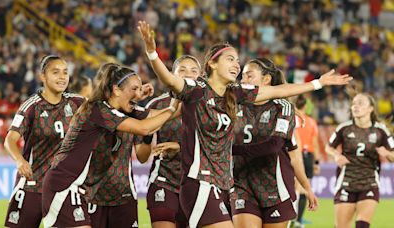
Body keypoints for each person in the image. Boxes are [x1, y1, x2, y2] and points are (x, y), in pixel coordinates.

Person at [138, 20, 351, 228]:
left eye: (237, 60)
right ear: (212, 63)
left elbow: (278, 91)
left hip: (223, 185)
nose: (236, 64)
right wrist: (152, 53)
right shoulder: (197, 90)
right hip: (200, 182)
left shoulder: (235, 93)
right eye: (230, 59)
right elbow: (169, 79)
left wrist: (318, 83)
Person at [41, 63, 179, 228]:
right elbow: (145, 127)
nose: (139, 93)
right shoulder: (97, 109)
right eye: (134, 89)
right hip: (64, 184)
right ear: (116, 90)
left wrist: (182, 95)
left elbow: (159, 117)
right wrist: (170, 108)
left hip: (81, 189)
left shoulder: (123, 110)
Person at [230, 58, 318, 228]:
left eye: (249, 76)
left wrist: (307, 187)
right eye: (243, 77)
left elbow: (293, 155)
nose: (244, 80)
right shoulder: (233, 105)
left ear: (266, 79)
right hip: (242, 185)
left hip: (275, 188)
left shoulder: (282, 108)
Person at [4, 55, 85, 227]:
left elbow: (106, 107)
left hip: (62, 187)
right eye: (55, 72)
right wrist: (19, 160)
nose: (62, 77)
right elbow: (10, 139)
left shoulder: (76, 102)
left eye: (65, 72)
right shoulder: (31, 106)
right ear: (43, 76)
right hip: (33, 185)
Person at [145, 55, 201, 228]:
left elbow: (217, 147)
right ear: (172, 74)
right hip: (163, 179)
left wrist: (179, 147)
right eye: (182, 70)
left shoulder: (210, 106)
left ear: (201, 76)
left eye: (193, 71)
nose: (188, 75)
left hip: (198, 183)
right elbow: (141, 154)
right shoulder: (157, 104)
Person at [326, 93, 394, 228]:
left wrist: (387, 153)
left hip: (369, 182)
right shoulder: (344, 128)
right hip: (346, 182)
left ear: (371, 109)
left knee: (362, 225)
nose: (355, 106)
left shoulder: (381, 130)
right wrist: (336, 156)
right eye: (354, 103)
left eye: (361, 103)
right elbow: (328, 147)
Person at [294, 94, 321, 227]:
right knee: (305, 187)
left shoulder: (292, 118)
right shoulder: (311, 122)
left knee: (293, 187)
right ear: (305, 106)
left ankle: (292, 217)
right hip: (307, 155)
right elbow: (315, 144)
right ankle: (298, 219)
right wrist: (317, 162)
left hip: (293, 154)